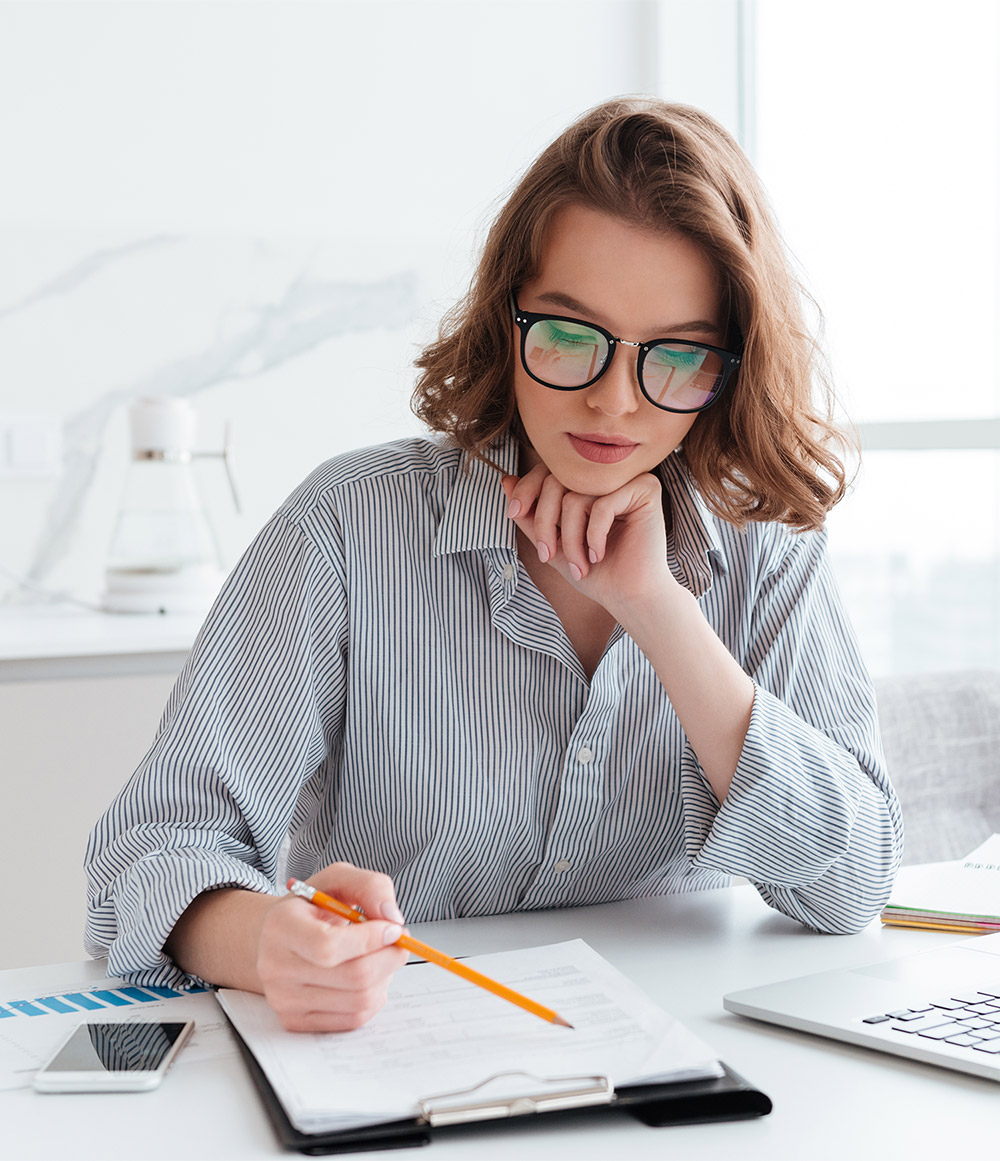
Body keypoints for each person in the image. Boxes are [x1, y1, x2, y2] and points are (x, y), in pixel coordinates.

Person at [85, 97, 902, 1033]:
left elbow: (853, 881)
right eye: (567, 335)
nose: (613, 402)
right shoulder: (351, 526)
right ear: (506, 319)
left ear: (730, 363)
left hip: (686, 1066)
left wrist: (659, 610)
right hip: (396, 1062)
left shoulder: (767, 544)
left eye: (675, 357)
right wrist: (268, 939)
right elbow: (144, 857)